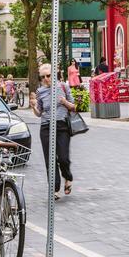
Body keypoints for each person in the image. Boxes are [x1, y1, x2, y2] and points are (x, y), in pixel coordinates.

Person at [29, 63, 76, 199]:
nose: (46, 79)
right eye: (43, 77)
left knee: (63, 158)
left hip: (62, 126)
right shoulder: (40, 91)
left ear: (54, 74)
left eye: (48, 76)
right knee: (50, 159)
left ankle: (68, 177)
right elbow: (39, 113)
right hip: (46, 126)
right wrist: (34, 107)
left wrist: (64, 102)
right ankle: (54, 189)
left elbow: (73, 107)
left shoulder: (63, 86)